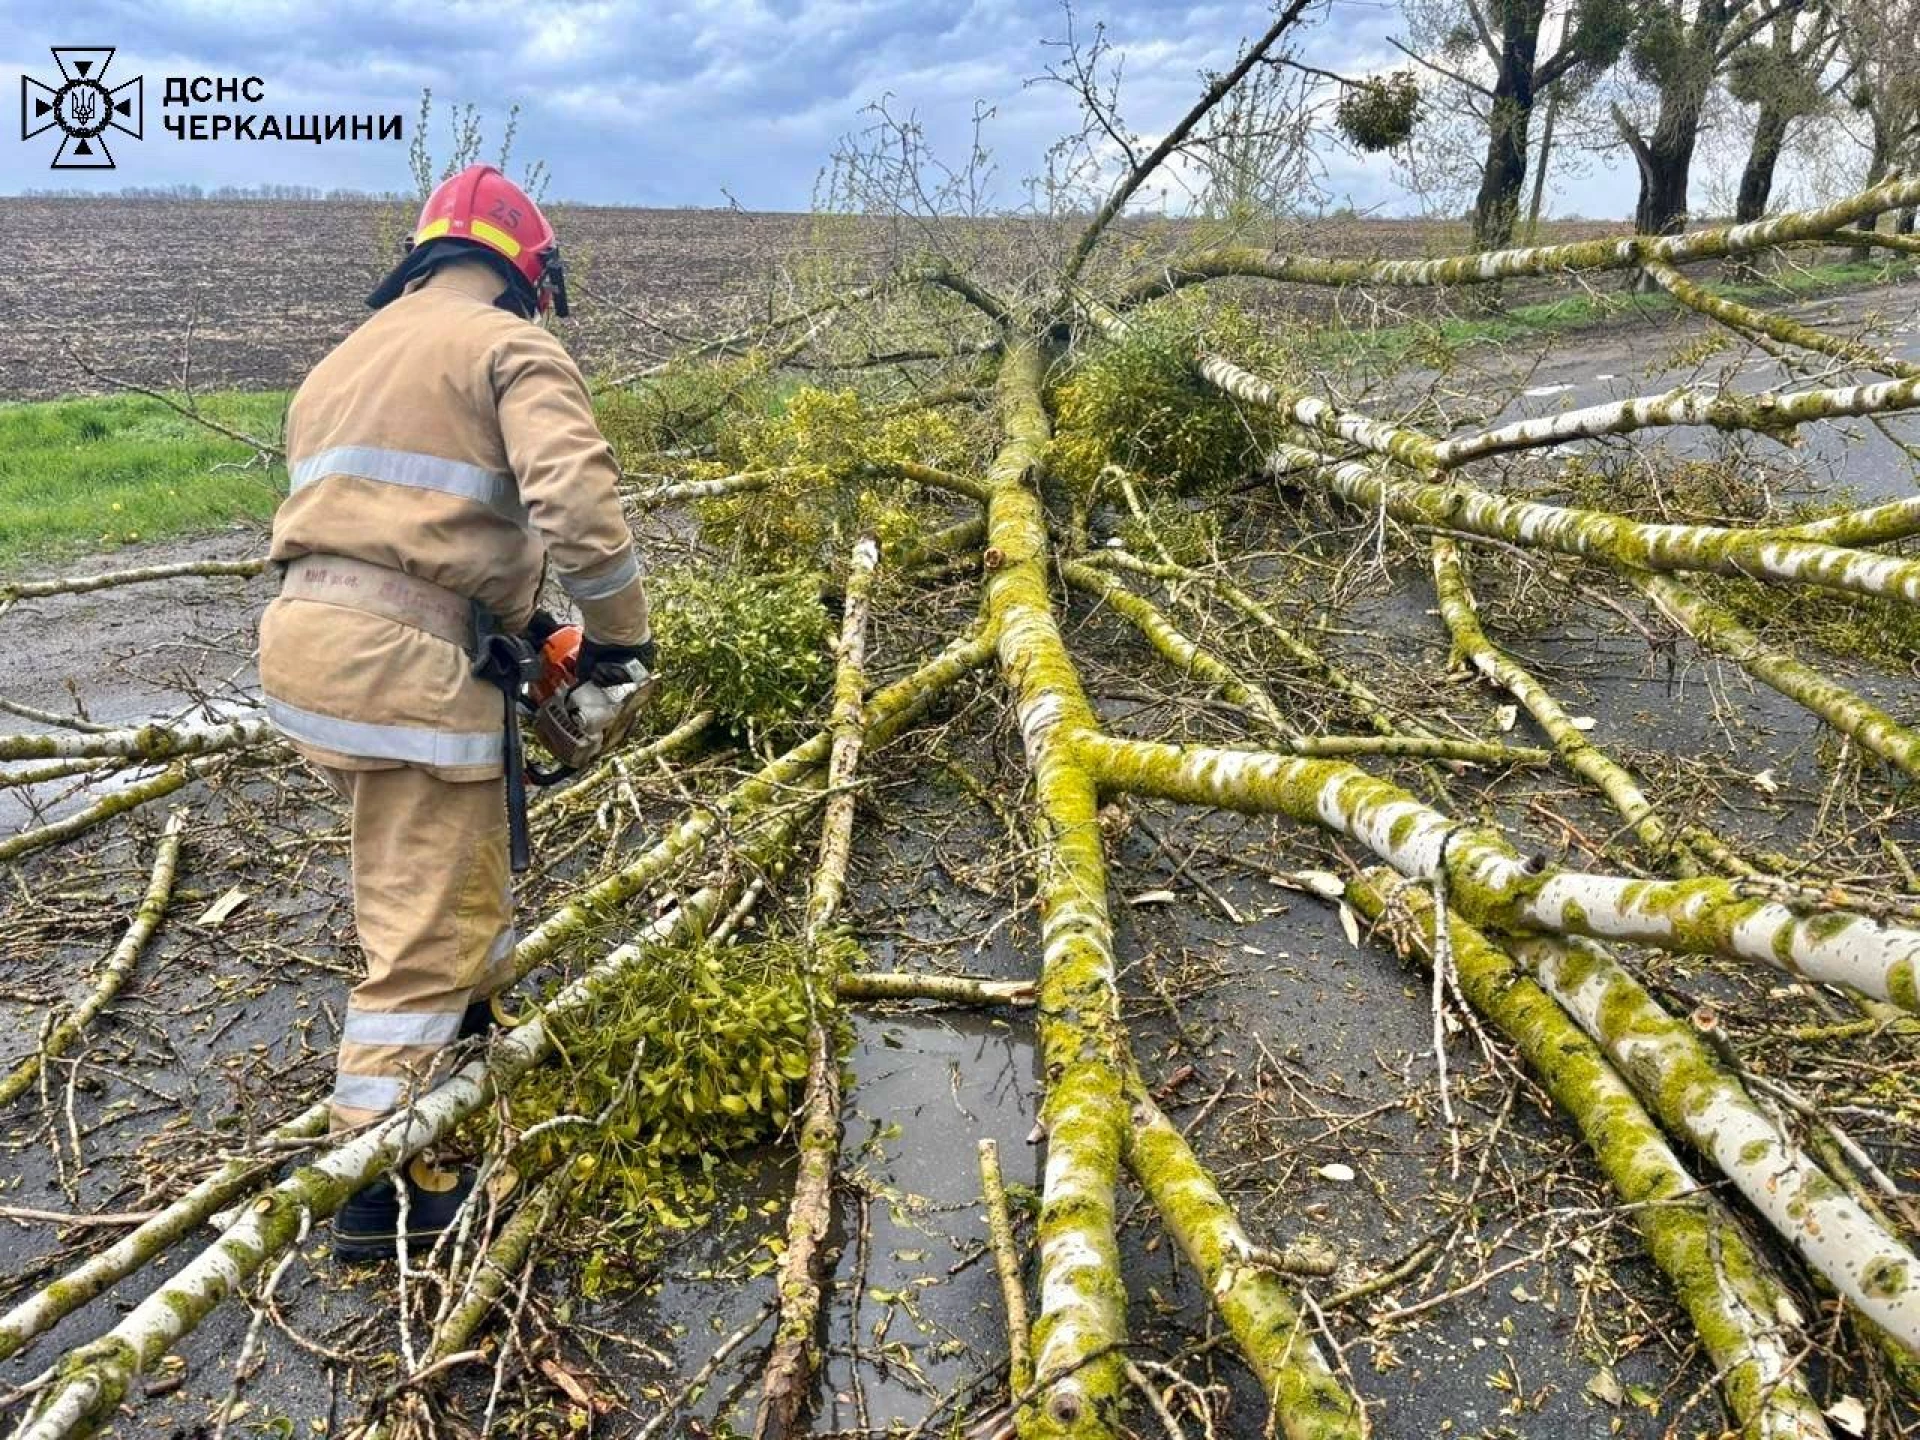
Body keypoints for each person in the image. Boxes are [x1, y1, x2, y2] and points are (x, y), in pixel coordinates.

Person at [257, 164, 653, 1259]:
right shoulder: (508, 346)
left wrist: (525, 629)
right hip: (404, 669)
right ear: (530, 274)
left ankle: (467, 1042)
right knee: (423, 929)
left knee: (432, 869)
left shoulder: (344, 358)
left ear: (425, 255)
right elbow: (578, 505)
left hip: (313, 645)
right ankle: (379, 1183)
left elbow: (403, 526)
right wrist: (619, 639)